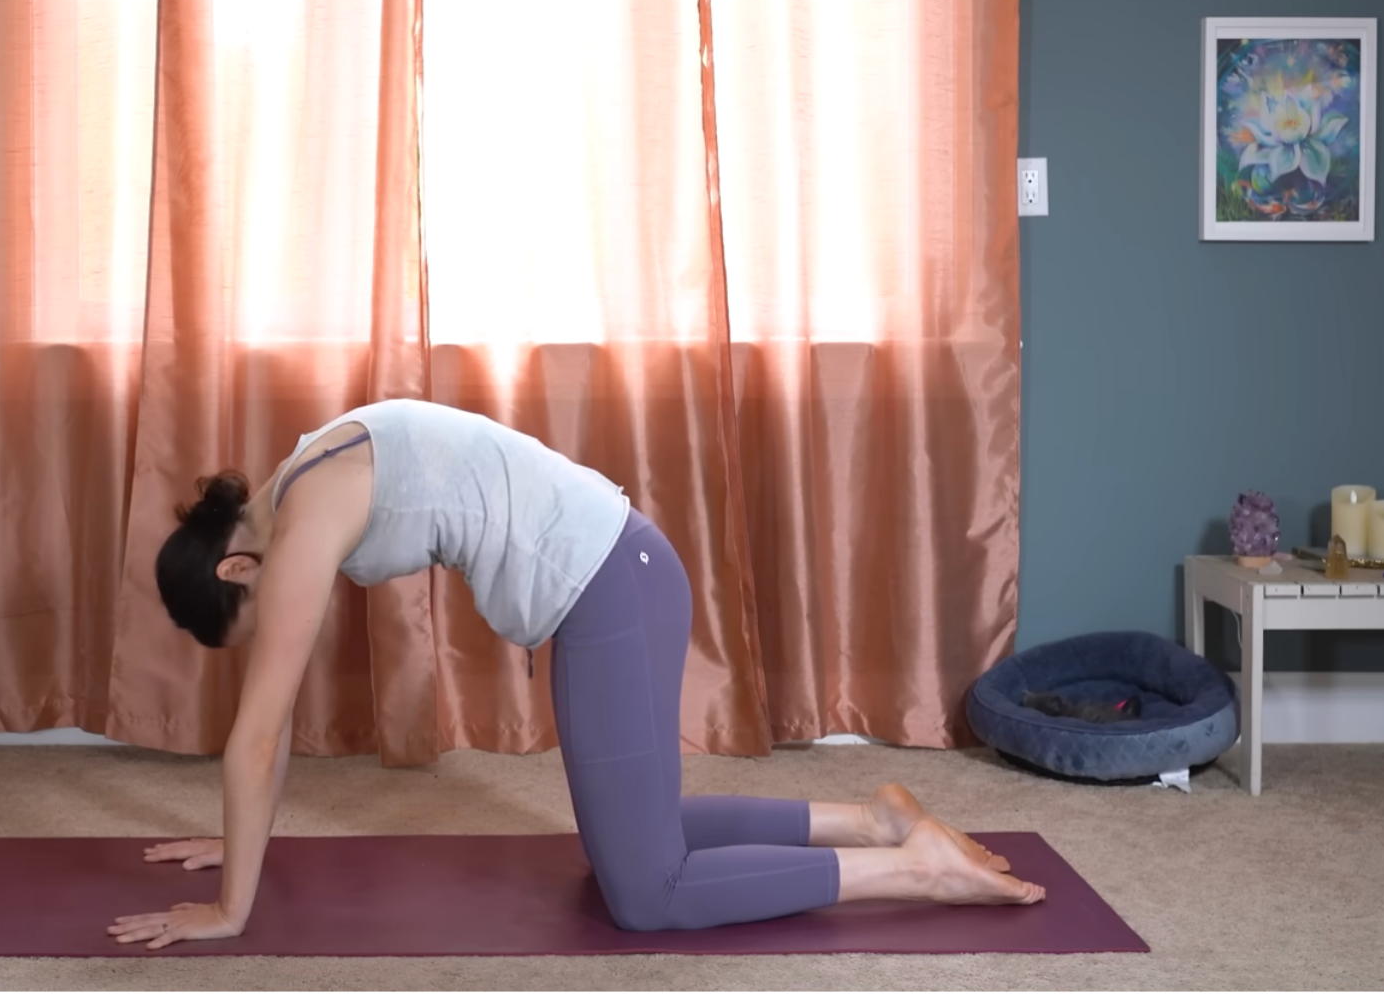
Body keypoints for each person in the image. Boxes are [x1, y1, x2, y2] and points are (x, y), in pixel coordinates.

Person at [109, 399, 1042, 949]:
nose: (277, 624)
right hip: (615, 581)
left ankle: (914, 869)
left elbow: (261, 728)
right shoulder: (307, 468)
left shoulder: (304, 516)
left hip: (612, 590)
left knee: (647, 893)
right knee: (630, 844)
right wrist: (242, 842)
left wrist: (231, 911)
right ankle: (874, 819)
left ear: (238, 571)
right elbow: (269, 728)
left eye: (256, 616)